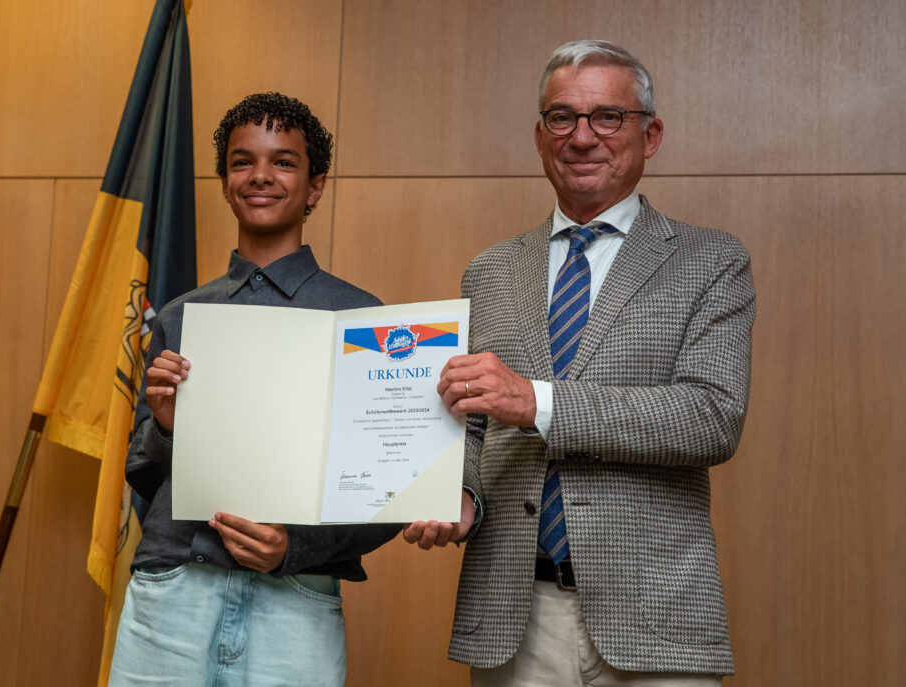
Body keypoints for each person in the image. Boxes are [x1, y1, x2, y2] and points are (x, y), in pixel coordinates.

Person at [403, 41, 755, 686]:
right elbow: (473, 425)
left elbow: (711, 417)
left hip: (655, 614)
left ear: (650, 136)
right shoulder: (490, 271)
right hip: (513, 614)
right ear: (541, 137)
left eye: (608, 118)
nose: (583, 137)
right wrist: (463, 493)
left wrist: (537, 401)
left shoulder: (711, 262)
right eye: (562, 117)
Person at [108, 92, 400, 686]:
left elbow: (390, 490)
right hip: (172, 586)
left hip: (296, 595)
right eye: (243, 161)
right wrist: (165, 425)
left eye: (284, 162)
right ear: (224, 182)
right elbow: (143, 472)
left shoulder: (367, 323)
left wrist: (292, 547)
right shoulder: (180, 314)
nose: (261, 175)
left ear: (315, 186)